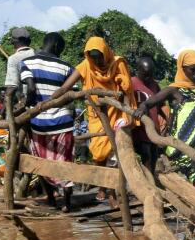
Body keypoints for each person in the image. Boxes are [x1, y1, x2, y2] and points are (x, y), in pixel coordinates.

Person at [38, 36, 136, 166]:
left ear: (105, 52)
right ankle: (102, 183)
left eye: (99, 56)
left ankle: (112, 184)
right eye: (92, 56)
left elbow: (127, 90)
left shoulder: (117, 63)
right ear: (88, 55)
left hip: (116, 111)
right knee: (98, 149)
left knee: (116, 150)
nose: (96, 60)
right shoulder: (86, 66)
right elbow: (65, 88)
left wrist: (129, 116)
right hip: (96, 113)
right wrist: (48, 101)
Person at [134, 49, 195, 191]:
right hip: (180, 148)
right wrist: (142, 109)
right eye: (193, 69)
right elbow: (149, 103)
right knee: (192, 182)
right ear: (182, 68)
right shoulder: (173, 90)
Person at [19, 30, 77, 210]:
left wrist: (28, 106)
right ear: (58, 46)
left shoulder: (27, 62)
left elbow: (29, 90)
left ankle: (51, 199)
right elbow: (72, 95)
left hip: (38, 123)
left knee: (41, 162)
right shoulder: (68, 67)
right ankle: (67, 203)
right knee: (64, 161)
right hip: (62, 122)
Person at [130, 55, 166, 170]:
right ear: (138, 70)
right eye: (146, 74)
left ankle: (151, 183)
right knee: (147, 158)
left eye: (151, 74)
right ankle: (147, 186)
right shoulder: (131, 83)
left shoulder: (155, 86)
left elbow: (160, 106)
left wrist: (166, 120)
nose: (149, 77)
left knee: (154, 158)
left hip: (154, 130)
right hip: (139, 130)